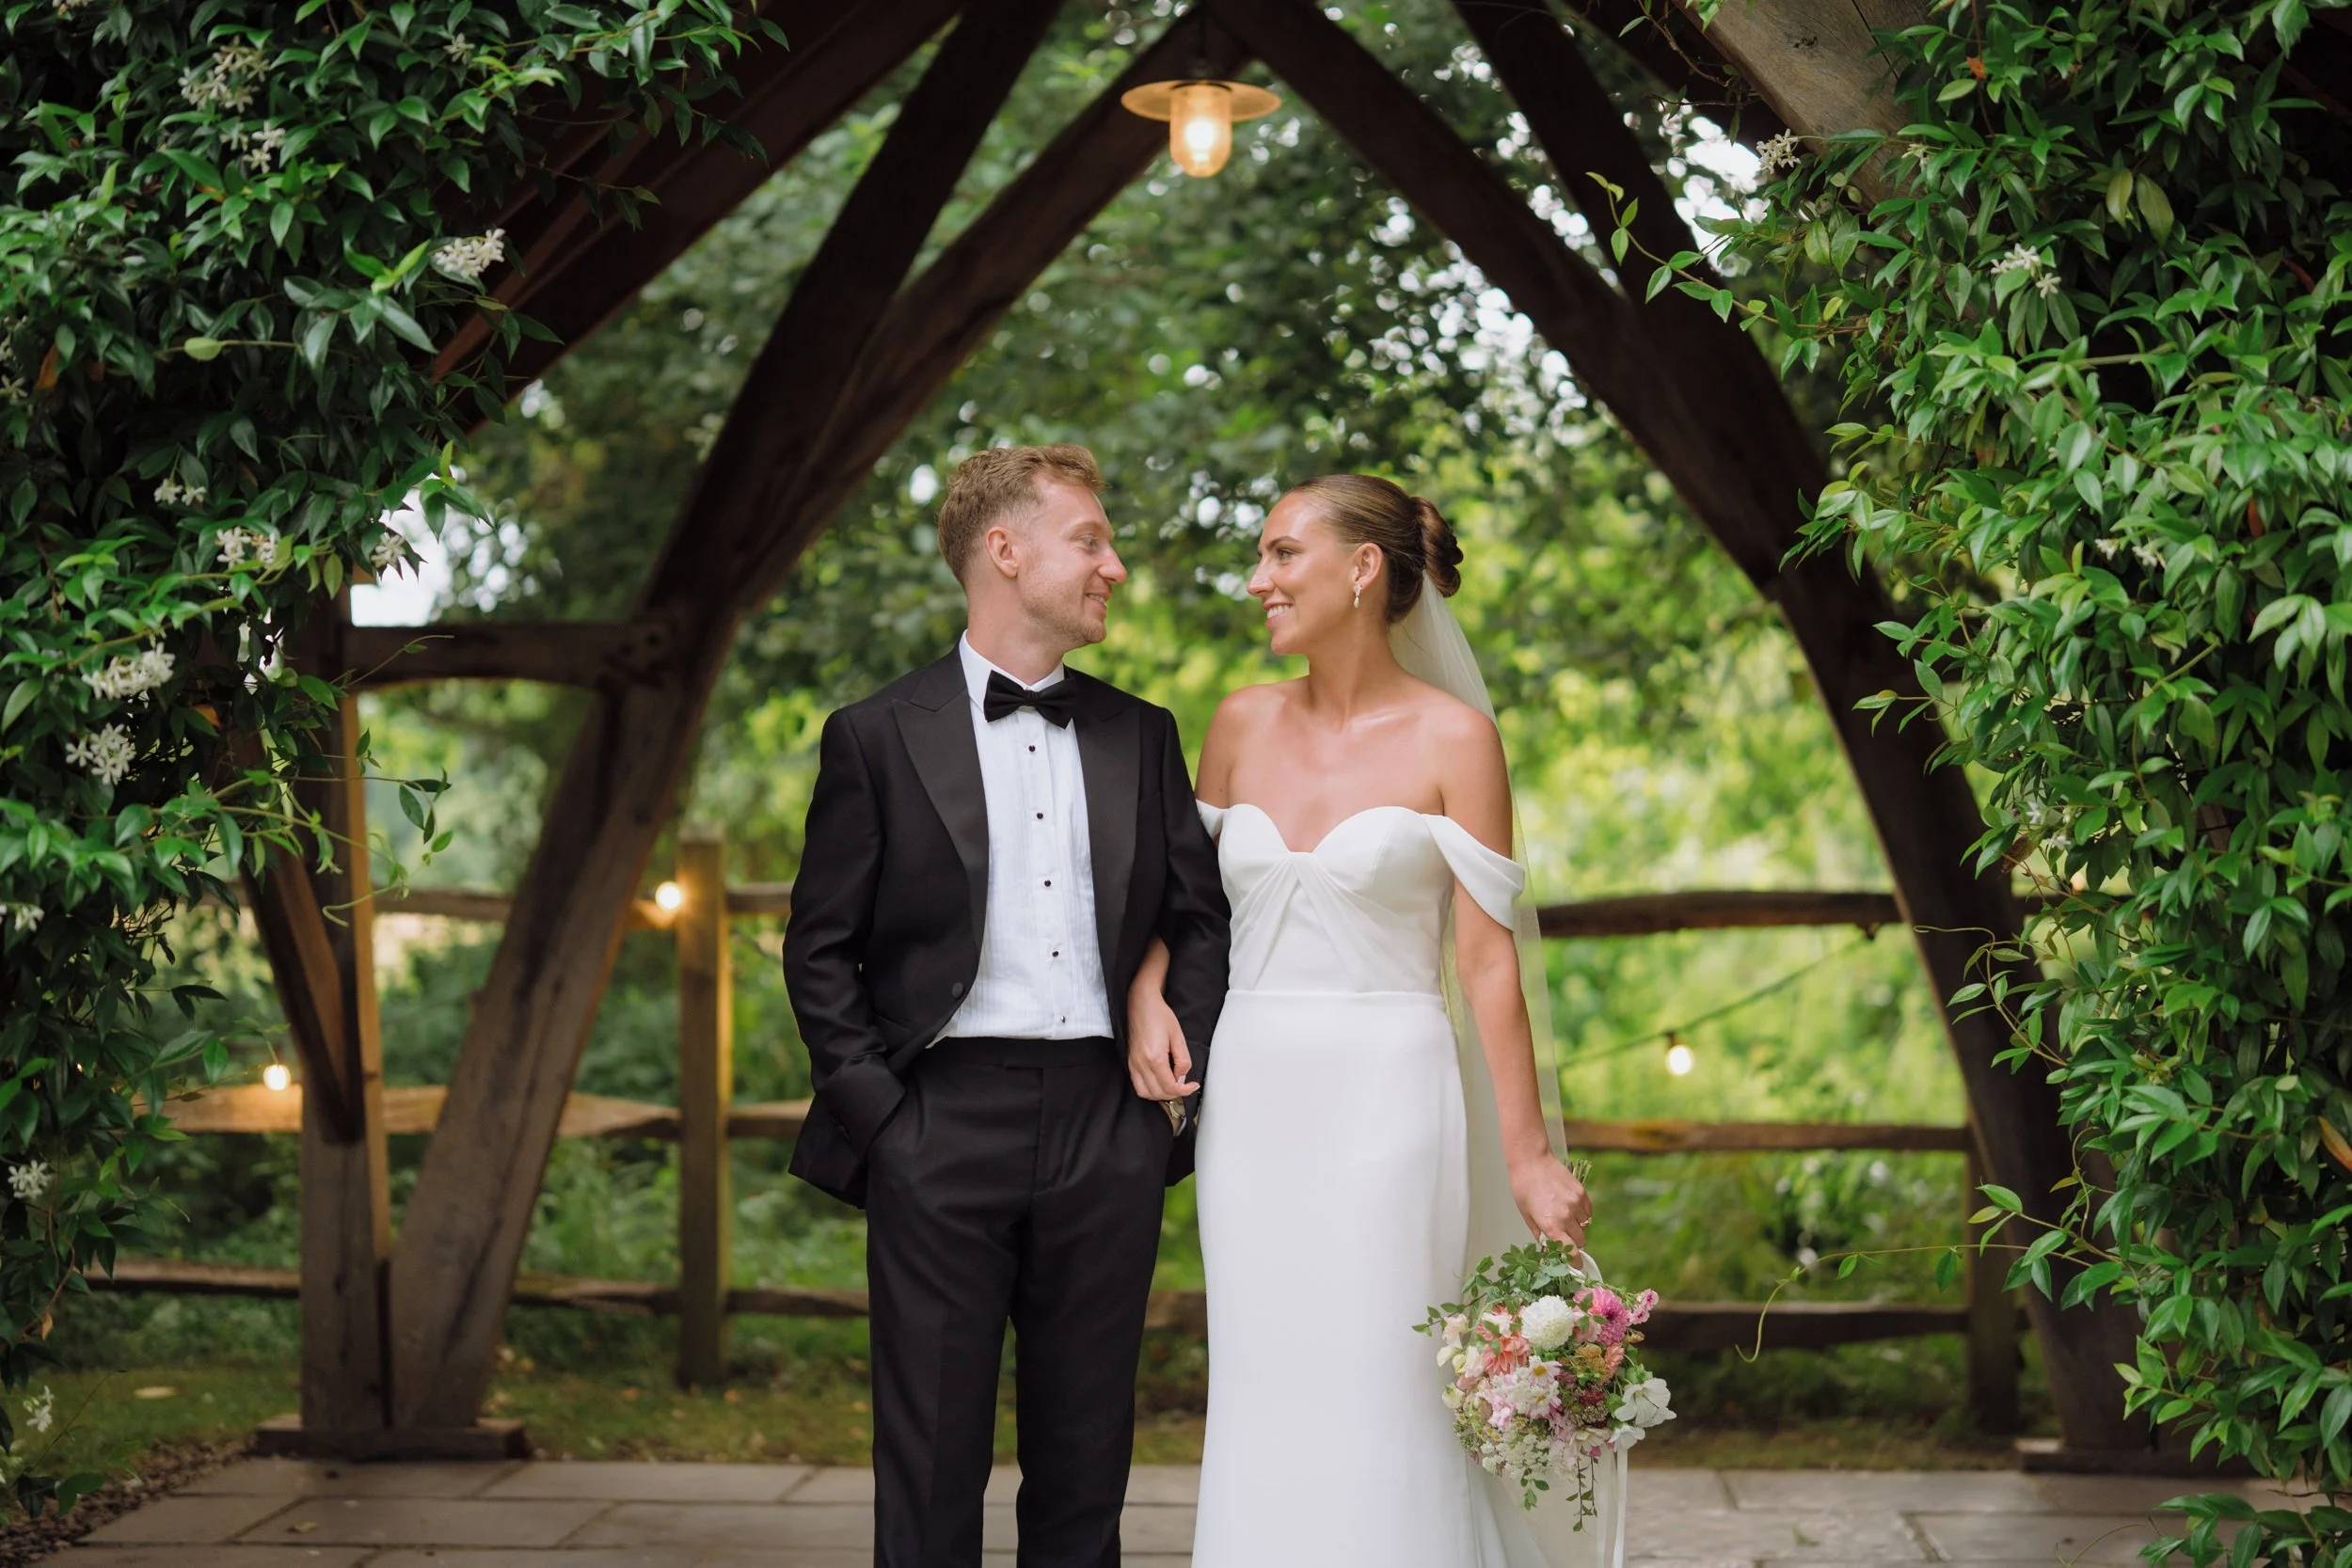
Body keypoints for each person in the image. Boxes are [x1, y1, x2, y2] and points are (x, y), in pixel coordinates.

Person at [1125, 473, 1595, 1567]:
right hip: (1252, 1093)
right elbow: (1190, 906)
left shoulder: (1456, 738)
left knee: (1387, 1369)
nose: (1259, 580)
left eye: (1282, 553)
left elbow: (1484, 959)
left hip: (1389, 1088)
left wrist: (1526, 1157)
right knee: (1263, 1371)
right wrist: (1148, 986)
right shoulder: (1239, 722)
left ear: (1363, 567)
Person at [783, 444, 1230, 1568]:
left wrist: (1167, 1088)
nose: (1114, 566)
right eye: (1091, 539)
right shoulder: (874, 735)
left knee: (1088, 1458)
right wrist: (887, 1121)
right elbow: (819, 950)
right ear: (1005, 549)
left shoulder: (1145, 732)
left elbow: (1202, 917)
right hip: (937, 1120)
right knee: (929, 1456)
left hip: (1106, 1122)